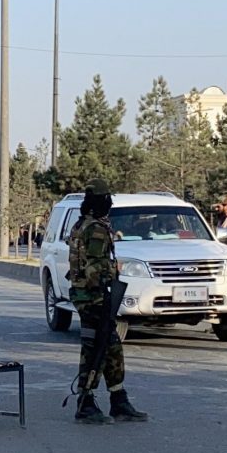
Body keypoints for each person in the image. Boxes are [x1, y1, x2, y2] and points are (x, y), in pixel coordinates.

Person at [66, 179, 149, 424]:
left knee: (110, 346)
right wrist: (109, 280)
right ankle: (86, 402)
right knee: (96, 347)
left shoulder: (81, 224)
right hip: (94, 297)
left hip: (86, 295)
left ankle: (118, 400)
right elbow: (94, 268)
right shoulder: (96, 229)